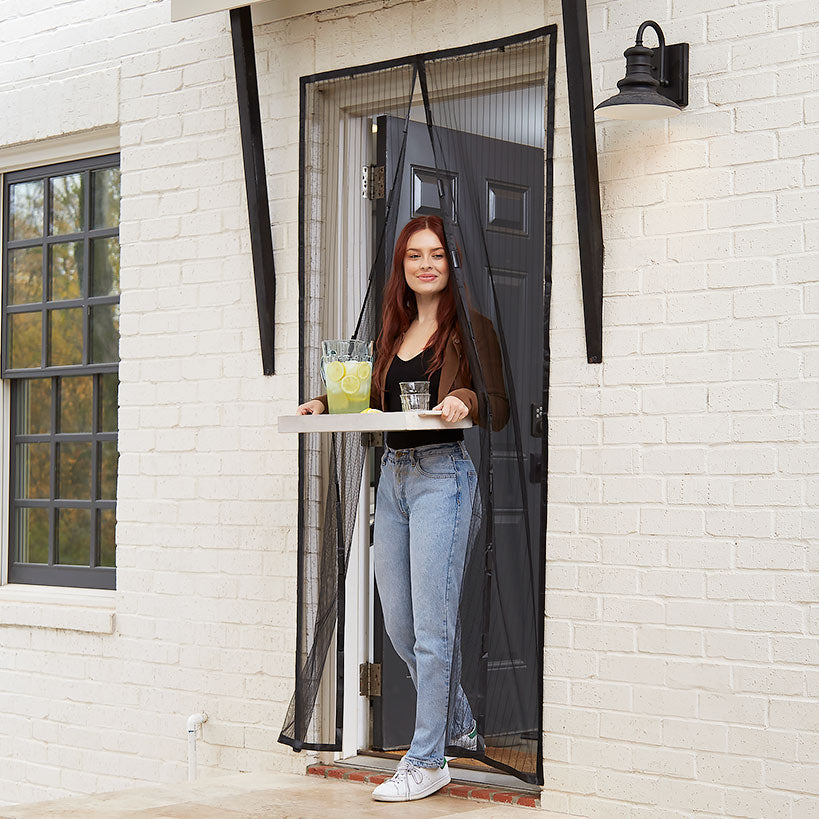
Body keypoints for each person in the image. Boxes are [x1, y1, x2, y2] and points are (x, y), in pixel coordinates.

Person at [297, 214, 508, 802]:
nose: (425, 265)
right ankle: (458, 719)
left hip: (444, 478)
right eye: (414, 255)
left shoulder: (472, 329)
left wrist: (464, 399)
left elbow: (500, 404)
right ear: (402, 267)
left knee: (434, 630)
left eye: (436, 254)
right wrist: (321, 402)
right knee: (399, 624)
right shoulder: (394, 331)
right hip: (391, 478)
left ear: (452, 262)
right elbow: (368, 392)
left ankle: (427, 759)